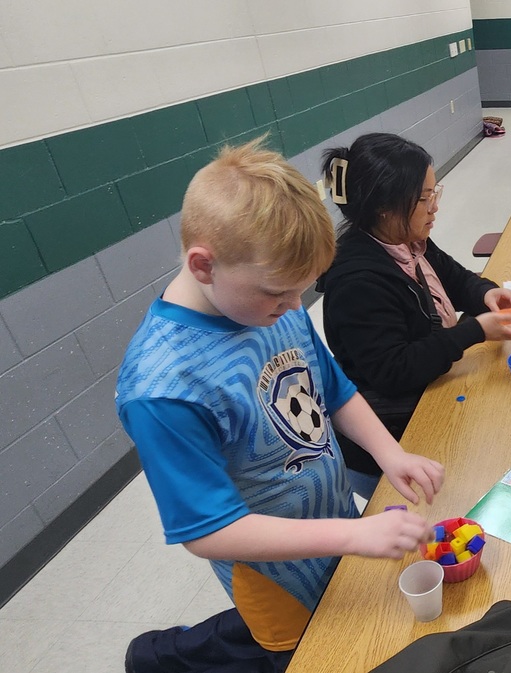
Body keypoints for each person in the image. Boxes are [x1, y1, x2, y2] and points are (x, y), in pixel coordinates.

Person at [116, 138, 445, 673]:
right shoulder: (163, 389)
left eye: (302, 290)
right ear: (204, 265)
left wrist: (391, 454)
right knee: (296, 648)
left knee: (333, 613)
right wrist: (354, 534)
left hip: (330, 518)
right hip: (270, 570)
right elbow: (208, 531)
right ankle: (164, 657)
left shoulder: (268, 305)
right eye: (278, 293)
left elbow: (331, 387)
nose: (296, 307)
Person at [318, 133, 511, 499]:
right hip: (393, 438)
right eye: (424, 198)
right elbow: (395, 370)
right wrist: (474, 331)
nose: (435, 208)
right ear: (386, 206)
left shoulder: (405, 239)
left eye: (435, 194)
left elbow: (456, 277)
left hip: (432, 392)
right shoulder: (358, 281)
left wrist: (486, 292)